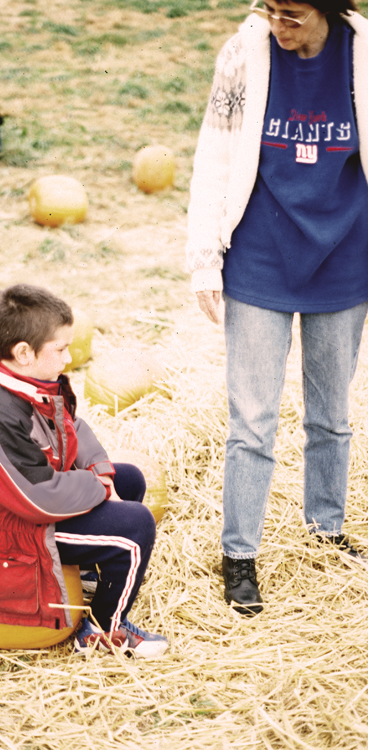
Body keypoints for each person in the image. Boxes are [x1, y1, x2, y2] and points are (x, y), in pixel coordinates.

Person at [186, 0, 368, 615]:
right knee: (253, 420)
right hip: (261, 255)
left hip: (346, 254)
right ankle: (239, 554)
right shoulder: (245, 52)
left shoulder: (364, 55)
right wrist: (205, 256)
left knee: (331, 413)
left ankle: (325, 529)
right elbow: (213, 156)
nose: (278, 26)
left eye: (292, 13)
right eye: (270, 10)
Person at [0, 285, 169, 658]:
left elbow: (72, 429)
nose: (68, 359)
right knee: (136, 526)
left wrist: (103, 472)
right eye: (61, 349)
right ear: (24, 353)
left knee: (129, 479)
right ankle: (101, 630)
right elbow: (41, 498)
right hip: (7, 532)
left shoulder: (28, 383)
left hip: (24, 511)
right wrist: (97, 485)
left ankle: (82, 579)